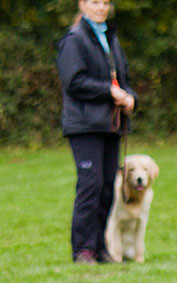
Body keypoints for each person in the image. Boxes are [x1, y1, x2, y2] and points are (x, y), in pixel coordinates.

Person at [57, 0, 137, 263]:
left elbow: (121, 79)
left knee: (106, 188)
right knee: (90, 186)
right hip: (84, 126)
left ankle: (100, 247)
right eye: (95, 2)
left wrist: (130, 97)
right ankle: (82, 249)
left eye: (105, 2)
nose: (101, 7)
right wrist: (109, 91)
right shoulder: (75, 39)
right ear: (82, 4)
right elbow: (74, 81)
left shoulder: (110, 38)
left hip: (110, 125)